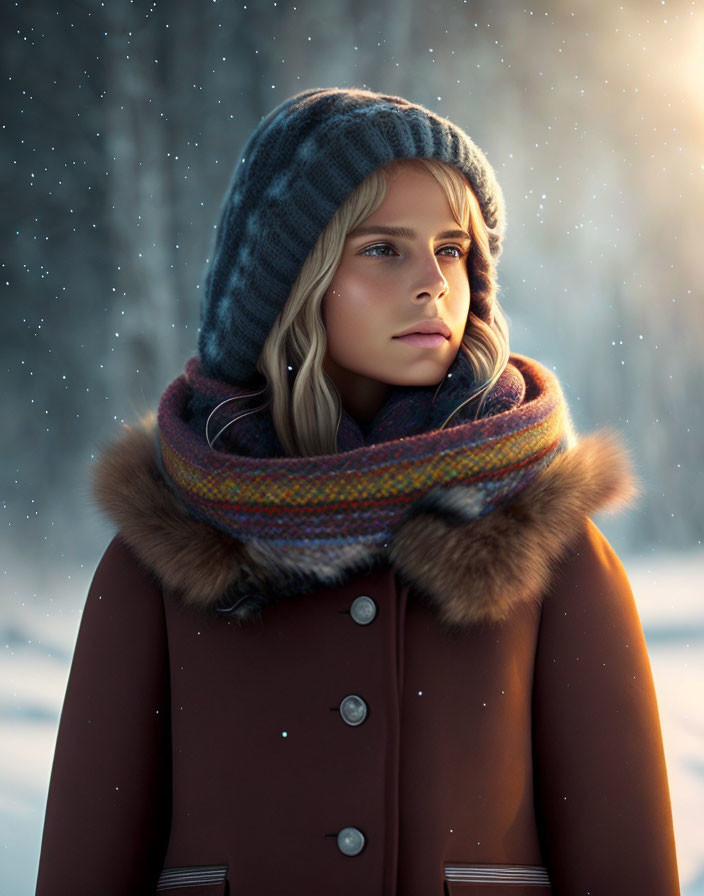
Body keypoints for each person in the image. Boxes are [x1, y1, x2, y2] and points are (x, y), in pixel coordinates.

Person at [35, 87, 680, 896]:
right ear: (287, 284)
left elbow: (627, 873)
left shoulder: (548, 545)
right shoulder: (163, 553)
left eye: (451, 248)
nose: (433, 284)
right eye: (383, 248)